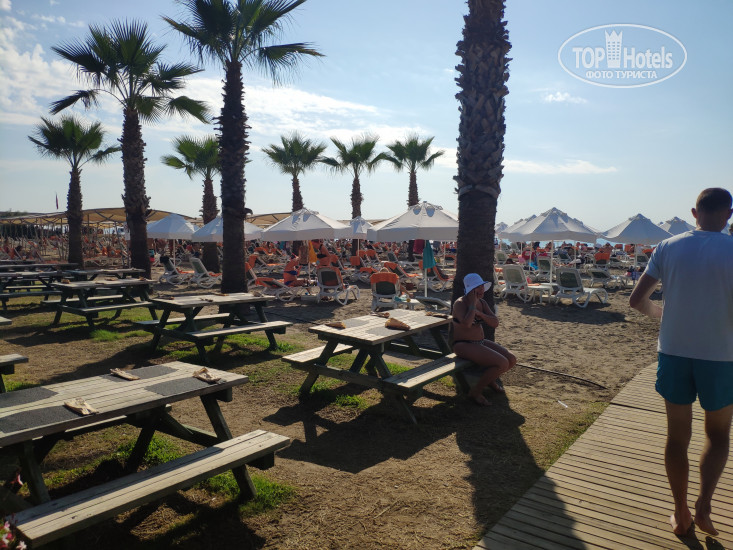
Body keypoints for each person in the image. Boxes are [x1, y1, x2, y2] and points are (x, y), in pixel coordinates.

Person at [630, 188, 733, 536]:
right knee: (717, 435)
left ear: (694, 212)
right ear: (729, 214)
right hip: (721, 356)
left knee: (677, 438)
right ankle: (704, 507)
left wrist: (662, 315)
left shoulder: (668, 246)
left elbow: (636, 300)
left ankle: (681, 512)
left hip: (674, 352)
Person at [451, 273, 517, 406]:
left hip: (479, 342)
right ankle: (475, 392)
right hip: (463, 345)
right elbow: (467, 324)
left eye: (482, 286)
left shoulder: (482, 302)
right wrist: (472, 305)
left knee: (511, 359)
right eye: (478, 287)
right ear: (470, 290)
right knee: (502, 363)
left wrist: (481, 314)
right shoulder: (460, 303)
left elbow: (495, 323)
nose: (481, 290)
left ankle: (489, 381)